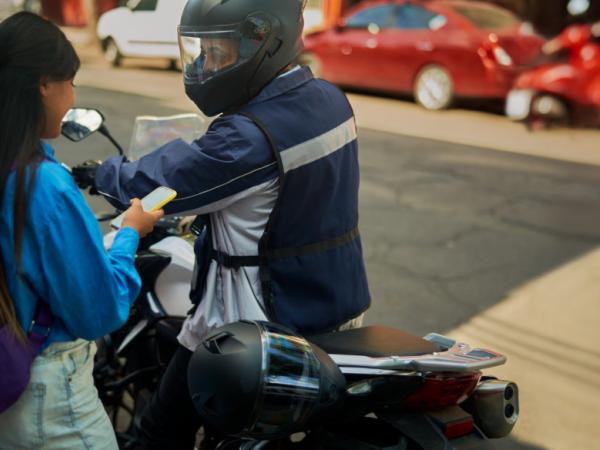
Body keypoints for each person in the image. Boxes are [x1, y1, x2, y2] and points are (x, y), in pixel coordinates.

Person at [75, 0, 371, 448]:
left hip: (254, 325)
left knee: (159, 432)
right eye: (202, 51)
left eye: (219, 53)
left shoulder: (248, 136)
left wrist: (103, 174)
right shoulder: (330, 100)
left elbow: (164, 182)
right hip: (334, 308)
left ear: (264, 42)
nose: (205, 65)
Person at [0, 12, 163, 449]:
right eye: (70, 83)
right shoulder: (42, 184)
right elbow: (99, 312)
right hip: (50, 397)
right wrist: (130, 233)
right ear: (43, 85)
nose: (72, 97)